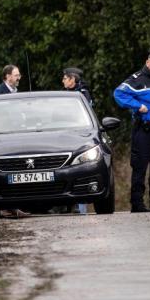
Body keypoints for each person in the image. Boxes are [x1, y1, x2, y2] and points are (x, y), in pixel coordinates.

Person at [113, 50, 150, 213]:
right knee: (140, 167)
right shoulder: (137, 79)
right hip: (144, 130)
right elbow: (119, 94)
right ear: (148, 62)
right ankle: (137, 203)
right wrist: (138, 106)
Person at [0, 64, 29, 219]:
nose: (18, 77)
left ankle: (15, 207)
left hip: (17, 135)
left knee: (18, 172)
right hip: (2, 137)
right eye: (15, 75)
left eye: (19, 75)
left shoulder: (16, 92)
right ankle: (4, 208)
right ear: (7, 76)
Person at [62, 67, 91, 214]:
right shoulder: (68, 94)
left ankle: (81, 208)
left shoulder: (82, 95)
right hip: (65, 136)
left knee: (79, 170)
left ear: (72, 80)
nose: (63, 81)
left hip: (79, 136)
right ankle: (68, 206)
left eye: (65, 78)